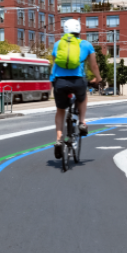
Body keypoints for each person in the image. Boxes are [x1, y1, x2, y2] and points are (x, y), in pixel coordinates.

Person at [51, 19, 102, 159]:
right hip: (78, 80)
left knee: (60, 110)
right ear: (79, 30)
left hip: (60, 81)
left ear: (64, 30)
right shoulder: (86, 44)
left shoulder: (57, 44)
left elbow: (55, 64)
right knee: (83, 96)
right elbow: (94, 66)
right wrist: (98, 78)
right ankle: (82, 122)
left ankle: (59, 139)